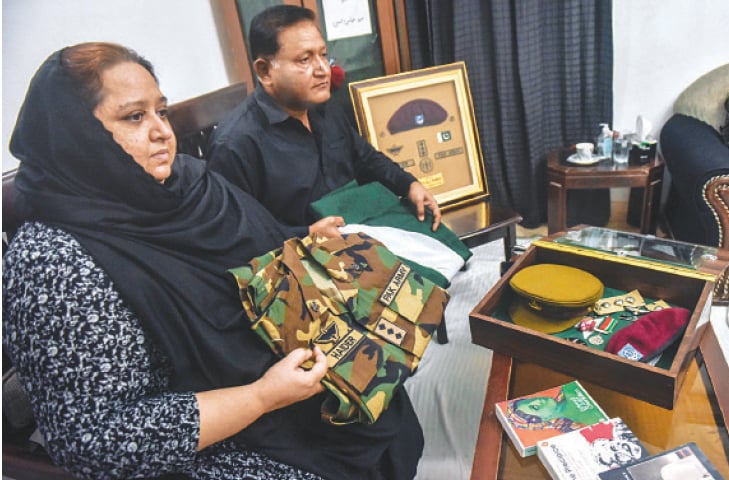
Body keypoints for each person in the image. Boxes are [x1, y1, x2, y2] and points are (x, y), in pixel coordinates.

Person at [3, 42, 423, 480]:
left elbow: (257, 248)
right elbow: (96, 440)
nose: (162, 131)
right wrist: (261, 396)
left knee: (378, 399)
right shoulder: (51, 261)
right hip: (201, 444)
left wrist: (304, 238)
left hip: (282, 377)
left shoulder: (188, 186)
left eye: (160, 112)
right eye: (133, 117)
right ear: (73, 136)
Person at [206, 5, 442, 237]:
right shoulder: (235, 143)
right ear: (265, 71)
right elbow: (235, 232)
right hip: (298, 258)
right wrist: (307, 234)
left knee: (447, 250)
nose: (323, 70)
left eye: (323, 55)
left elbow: (366, 159)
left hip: (359, 233)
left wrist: (409, 184)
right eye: (304, 60)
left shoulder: (323, 106)